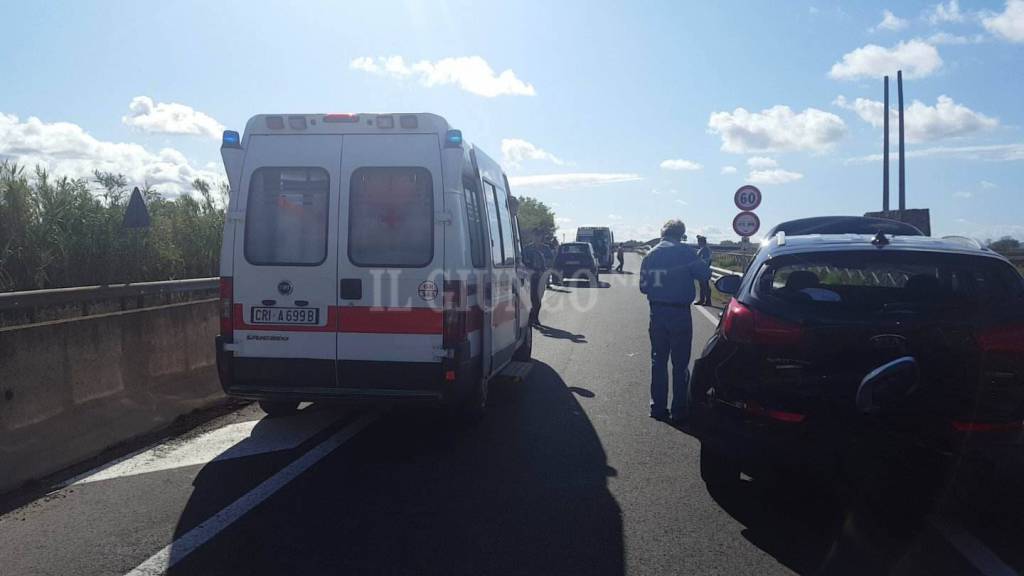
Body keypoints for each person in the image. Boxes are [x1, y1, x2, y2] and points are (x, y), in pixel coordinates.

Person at [639, 220, 712, 422]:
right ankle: (678, 410)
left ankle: (657, 408)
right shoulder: (686, 252)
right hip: (680, 314)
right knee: (680, 364)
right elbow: (705, 274)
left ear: (663, 233)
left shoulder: (650, 254)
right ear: (681, 234)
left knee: (658, 361)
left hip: (657, 313)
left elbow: (643, 287)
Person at [522, 242, 547, 326]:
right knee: (532, 298)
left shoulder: (544, 249)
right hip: (529, 277)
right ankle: (532, 318)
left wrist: (543, 271)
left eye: (539, 236)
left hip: (539, 277)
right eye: (536, 236)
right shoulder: (527, 249)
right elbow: (523, 261)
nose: (537, 239)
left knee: (538, 300)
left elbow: (547, 263)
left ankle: (535, 317)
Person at [695, 236, 712, 306]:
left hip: (703, 270)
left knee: (705, 286)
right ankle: (702, 300)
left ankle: (707, 301)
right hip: (702, 270)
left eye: (699, 241)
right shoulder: (703, 249)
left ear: (701, 242)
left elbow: (706, 261)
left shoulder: (705, 249)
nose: (698, 243)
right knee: (702, 286)